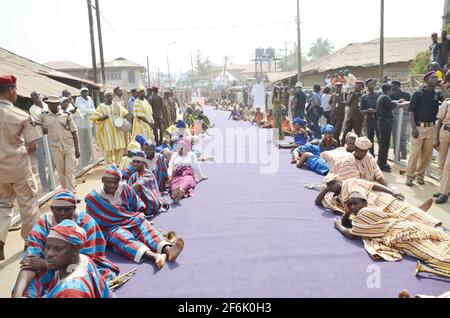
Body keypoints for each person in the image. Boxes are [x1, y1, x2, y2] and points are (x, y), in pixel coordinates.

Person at [12, 190, 119, 298]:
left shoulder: (86, 223)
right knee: (26, 289)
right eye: (58, 209)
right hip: (52, 265)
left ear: (74, 209)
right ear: (51, 209)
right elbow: (31, 262)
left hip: (74, 266)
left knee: (71, 289)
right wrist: (16, 294)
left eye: (67, 209)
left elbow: (83, 260)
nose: (62, 213)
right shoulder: (43, 224)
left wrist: (46, 263)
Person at [85, 166, 184, 268]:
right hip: (112, 228)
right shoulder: (93, 198)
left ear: (119, 181)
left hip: (130, 219)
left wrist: (140, 218)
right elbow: (91, 222)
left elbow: (138, 205)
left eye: (115, 182)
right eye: (108, 182)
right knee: (121, 238)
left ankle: (168, 250)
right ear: (102, 180)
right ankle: (156, 256)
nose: (112, 185)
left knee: (145, 228)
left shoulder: (124, 188)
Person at [333, 192, 450, 269]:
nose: (353, 207)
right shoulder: (368, 212)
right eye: (350, 205)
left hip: (401, 234)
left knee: (437, 255)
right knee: (443, 241)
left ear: (364, 202)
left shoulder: (365, 212)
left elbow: (351, 233)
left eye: (355, 204)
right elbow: (350, 224)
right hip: (408, 226)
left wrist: (338, 225)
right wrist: (348, 212)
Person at [0, 75, 40, 261]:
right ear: (9, 90)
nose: (16, 92)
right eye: (15, 88)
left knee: (3, 205)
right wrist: (18, 151)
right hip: (19, 168)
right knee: (28, 204)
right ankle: (30, 241)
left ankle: (0, 241)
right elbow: (33, 146)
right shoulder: (21, 115)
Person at [316, 177, 440, 227]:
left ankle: (426, 218)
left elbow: (373, 185)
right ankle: (418, 214)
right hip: (367, 210)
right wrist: (328, 188)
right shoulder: (335, 197)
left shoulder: (350, 181)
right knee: (396, 221)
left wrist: (392, 192)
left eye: (333, 182)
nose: (331, 186)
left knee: (401, 208)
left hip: (376, 198)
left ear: (339, 180)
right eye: (328, 185)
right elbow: (317, 201)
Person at [38, 220, 113, 298]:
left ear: (75, 250)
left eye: (58, 248)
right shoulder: (84, 259)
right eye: (48, 247)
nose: (49, 254)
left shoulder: (71, 292)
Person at [406, 71, 449, 187]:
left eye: (437, 78)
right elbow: (411, 112)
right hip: (418, 128)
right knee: (414, 154)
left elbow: (448, 98)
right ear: (426, 80)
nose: (436, 79)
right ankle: (410, 177)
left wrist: (442, 87)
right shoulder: (418, 94)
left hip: (432, 128)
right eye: (434, 78)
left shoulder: (436, 94)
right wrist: (414, 128)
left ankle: (420, 176)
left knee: (426, 155)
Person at [36, 96, 80, 194]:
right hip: (56, 148)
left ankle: (72, 193)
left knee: (69, 170)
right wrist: (41, 124)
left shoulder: (66, 115)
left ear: (58, 104)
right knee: (61, 172)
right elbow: (32, 120)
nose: (53, 105)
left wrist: (77, 149)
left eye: (55, 103)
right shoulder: (44, 116)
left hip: (69, 146)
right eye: (50, 104)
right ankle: (66, 192)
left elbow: (74, 132)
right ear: (48, 105)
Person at [376, 83, 409, 172]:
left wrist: (399, 101)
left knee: (384, 144)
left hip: (383, 123)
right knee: (384, 145)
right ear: (389, 90)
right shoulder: (385, 97)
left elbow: (392, 103)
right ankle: (382, 164)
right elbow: (394, 106)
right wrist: (407, 104)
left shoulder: (383, 97)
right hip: (385, 123)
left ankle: (382, 162)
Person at [90, 90, 128, 166]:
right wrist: (103, 117)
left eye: (111, 95)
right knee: (108, 150)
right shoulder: (101, 107)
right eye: (108, 96)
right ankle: (109, 166)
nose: (110, 97)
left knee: (120, 147)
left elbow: (125, 113)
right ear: (105, 98)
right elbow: (94, 118)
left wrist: (120, 121)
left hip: (117, 131)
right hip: (107, 132)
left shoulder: (116, 105)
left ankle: (118, 164)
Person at [168, 137, 207, 203]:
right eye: (179, 148)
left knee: (186, 181)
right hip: (176, 175)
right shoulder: (174, 155)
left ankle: (180, 190)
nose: (181, 150)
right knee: (174, 185)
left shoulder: (191, 154)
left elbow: (196, 166)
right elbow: (170, 166)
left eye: (182, 148)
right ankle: (177, 192)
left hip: (187, 174)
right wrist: (169, 175)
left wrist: (201, 176)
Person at [128, 151, 167, 216]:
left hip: (151, 206)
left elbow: (135, 187)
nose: (135, 164)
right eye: (134, 162)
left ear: (144, 162)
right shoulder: (133, 176)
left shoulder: (148, 174)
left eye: (138, 162)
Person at [29, 92, 51, 192]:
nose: (37, 97)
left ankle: (51, 182)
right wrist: (43, 123)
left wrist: (43, 105)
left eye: (38, 95)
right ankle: (45, 185)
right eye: (34, 97)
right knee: (41, 162)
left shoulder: (46, 105)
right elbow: (38, 120)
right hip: (39, 137)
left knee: (53, 160)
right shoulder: (32, 109)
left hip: (50, 135)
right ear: (32, 99)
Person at [434, 99, 450, 204]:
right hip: (444, 132)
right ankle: (443, 188)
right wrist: (436, 138)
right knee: (441, 163)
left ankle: (444, 193)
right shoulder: (447, 102)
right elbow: (439, 120)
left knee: (448, 165)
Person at [74, 87, 95, 168]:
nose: (85, 93)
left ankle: (88, 160)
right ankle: (83, 163)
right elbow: (82, 110)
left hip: (89, 125)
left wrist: (88, 111)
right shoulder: (78, 99)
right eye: (83, 92)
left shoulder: (89, 98)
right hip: (81, 125)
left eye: (86, 92)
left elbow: (94, 109)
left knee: (89, 144)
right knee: (82, 144)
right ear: (80, 93)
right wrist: (89, 111)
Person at [390, 80, 411, 160]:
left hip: (396, 115)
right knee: (403, 135)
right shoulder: (407, 94)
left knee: (396, 135)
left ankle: (397, 155)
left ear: (395, 86)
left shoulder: (391, 95)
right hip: (406, 116)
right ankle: (404, 154)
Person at [360, 79, 381, 157]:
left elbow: (382, 107)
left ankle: (381, 155)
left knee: (380, 138)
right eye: (369, 84)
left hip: (378, 119)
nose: (371, 85)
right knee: (370, 138)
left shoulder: (379, 95)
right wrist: (367, 111)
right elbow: (361, 111)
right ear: (367, 86)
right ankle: (371, 155)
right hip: (369, 120)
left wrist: (375, 110)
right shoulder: (364, 97)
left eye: (372, 84)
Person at [341, 81, 365, 145]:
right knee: (346, 132)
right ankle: (342, 145)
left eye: (360, 86)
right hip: (350, 117)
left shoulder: (363, 95)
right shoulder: (351, 93)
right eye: (357, 86)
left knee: (357, 134)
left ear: (362, 87)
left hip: (358, 118)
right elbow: (347, 103)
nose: (358, 87)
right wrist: (353, 95)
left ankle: (357, 146)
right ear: (355, 86)